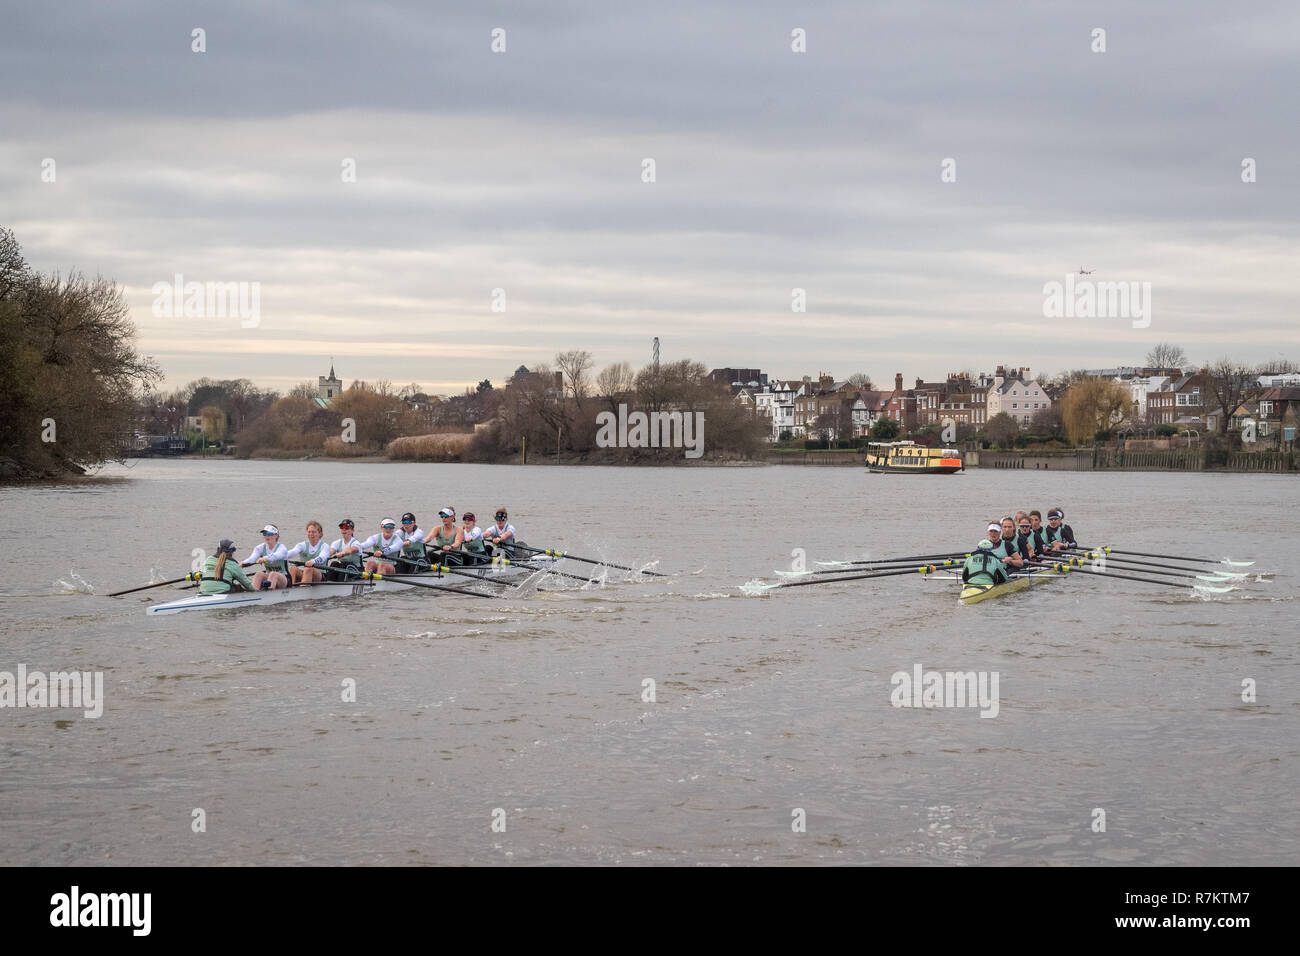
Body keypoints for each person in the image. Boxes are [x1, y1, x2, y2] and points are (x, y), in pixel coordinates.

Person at [286, 521, 331, 587]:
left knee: (308, 569)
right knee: (292, 568)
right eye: (309, 532)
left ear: (320, 534)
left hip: (320, 575)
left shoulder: (325, 546)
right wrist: (278, 556)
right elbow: (292, 552)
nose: (311, 534)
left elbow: (322, 557)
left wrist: (313, 561)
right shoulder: (302, 545)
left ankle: (303, 591)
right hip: (304, 573)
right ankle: (290, 590)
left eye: (314, 532)